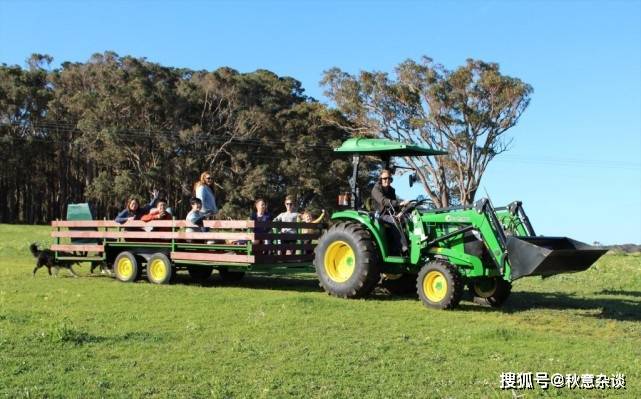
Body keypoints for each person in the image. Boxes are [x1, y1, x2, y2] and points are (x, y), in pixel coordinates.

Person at [371, 169, 409, 255]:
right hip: (379, 215)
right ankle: (404, 248)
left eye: (389, 178)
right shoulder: (376, 189)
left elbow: (394, 205)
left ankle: (397, 247)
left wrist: (401, 211)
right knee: (394, 220)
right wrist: (400, 203)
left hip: (389, 214)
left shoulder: (391, 190)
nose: (387, 180)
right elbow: (384, 201)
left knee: (406, 218)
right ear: (380, 179)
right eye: (384, 178)